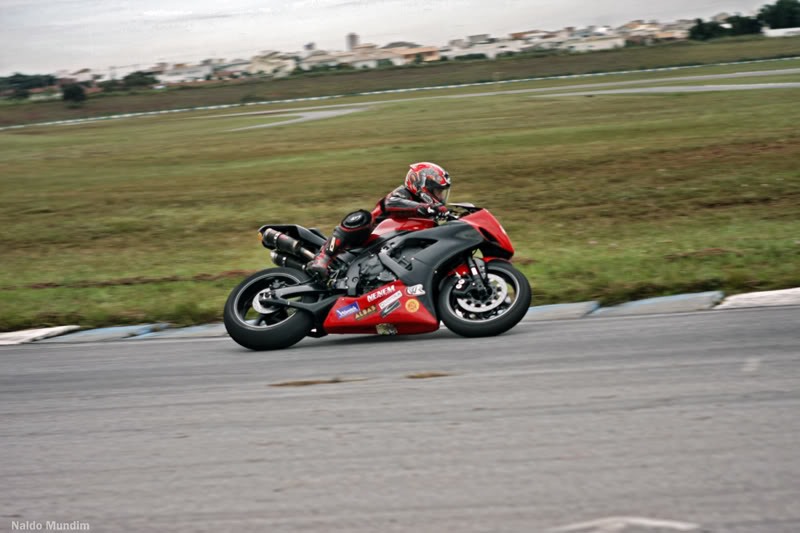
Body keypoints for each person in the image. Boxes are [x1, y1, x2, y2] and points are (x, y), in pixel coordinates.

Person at [306, 162, 452, 281]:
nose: (440, 197)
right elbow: (389, 203)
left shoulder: (427, 214)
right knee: (362, 217)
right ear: (422, 185)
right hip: (364, 241)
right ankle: (322, 258)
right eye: (437, 191)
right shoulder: (402, 194)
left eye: (441, 192)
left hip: (384, 253)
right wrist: (427, 208)